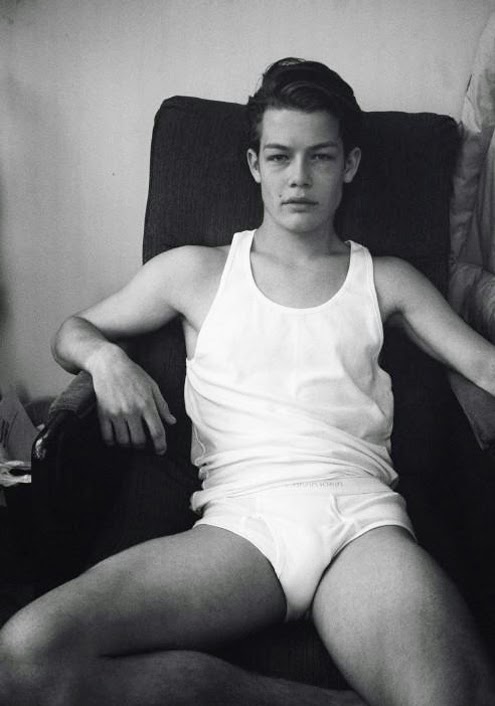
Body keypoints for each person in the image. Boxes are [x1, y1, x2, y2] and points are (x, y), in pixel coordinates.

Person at [1, 57, 494, 706]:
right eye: (280, 157)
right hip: (241, 525)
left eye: (320, 157)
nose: (298, 178)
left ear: (348, 165)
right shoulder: (193, 271)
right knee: (25, 657)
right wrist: (107, 361)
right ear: (255, 164)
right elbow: (73, 330)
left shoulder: (387, 278)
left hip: (362, 521)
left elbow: (483, 364)